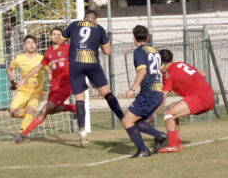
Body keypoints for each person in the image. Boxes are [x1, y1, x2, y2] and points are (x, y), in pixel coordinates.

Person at [62, 10, 124, 147]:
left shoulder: (74, 25)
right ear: (95, 20)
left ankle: (82, 131)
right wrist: (102, 46)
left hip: (75, 64)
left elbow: (61, 39)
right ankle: (124, 119)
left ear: (84, 18)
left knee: (79, 98)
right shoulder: (100, 29)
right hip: (92, 64)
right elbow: (108, 52)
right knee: (106, 92)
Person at [14, 28, 75, 143]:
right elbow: (39, 67)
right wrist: (24, 79)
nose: (56, 36)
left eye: (59, 34)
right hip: (54, 86)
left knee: (44, 110)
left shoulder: (68, 48)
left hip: (65, 85)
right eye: (54, 34)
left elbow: (79, 58)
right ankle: (73, 108)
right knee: (51, 111)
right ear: (50, 37)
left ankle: (23, 134)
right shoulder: (48, 52)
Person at [156, 49, 214, 153]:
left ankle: (173, 145)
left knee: (168, 114)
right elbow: (203, 74)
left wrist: (152, 114)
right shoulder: (181, 64)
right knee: (171, 108)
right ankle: (177, 143)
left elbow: (162, 98)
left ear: (161, 64)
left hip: (200, 97)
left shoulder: (167, 73)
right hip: (207, 95)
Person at [122, 25, 167, 158]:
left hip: (149, 93)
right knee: (137, 122)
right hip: (158, 92)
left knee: (127, 121)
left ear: (133, 38)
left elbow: (142, 71)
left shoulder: (139, 52)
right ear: (147, 37)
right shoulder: (155, 51)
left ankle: (143, 149)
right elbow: (164, 70)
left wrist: (132, 88)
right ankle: (159, 136)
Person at [6, 35, 45, 135]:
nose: (31, 44)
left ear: (36, 45)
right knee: (13, 112)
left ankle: (21, 134)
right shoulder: (19, 58)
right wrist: (12, 81)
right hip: (23, 91)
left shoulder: (42, 58)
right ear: (24, 46)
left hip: (37, 92)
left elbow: (50, 72)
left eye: (33, 42)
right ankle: (30, 116)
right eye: (28, 42)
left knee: (30, 108)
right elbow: (9, 69)